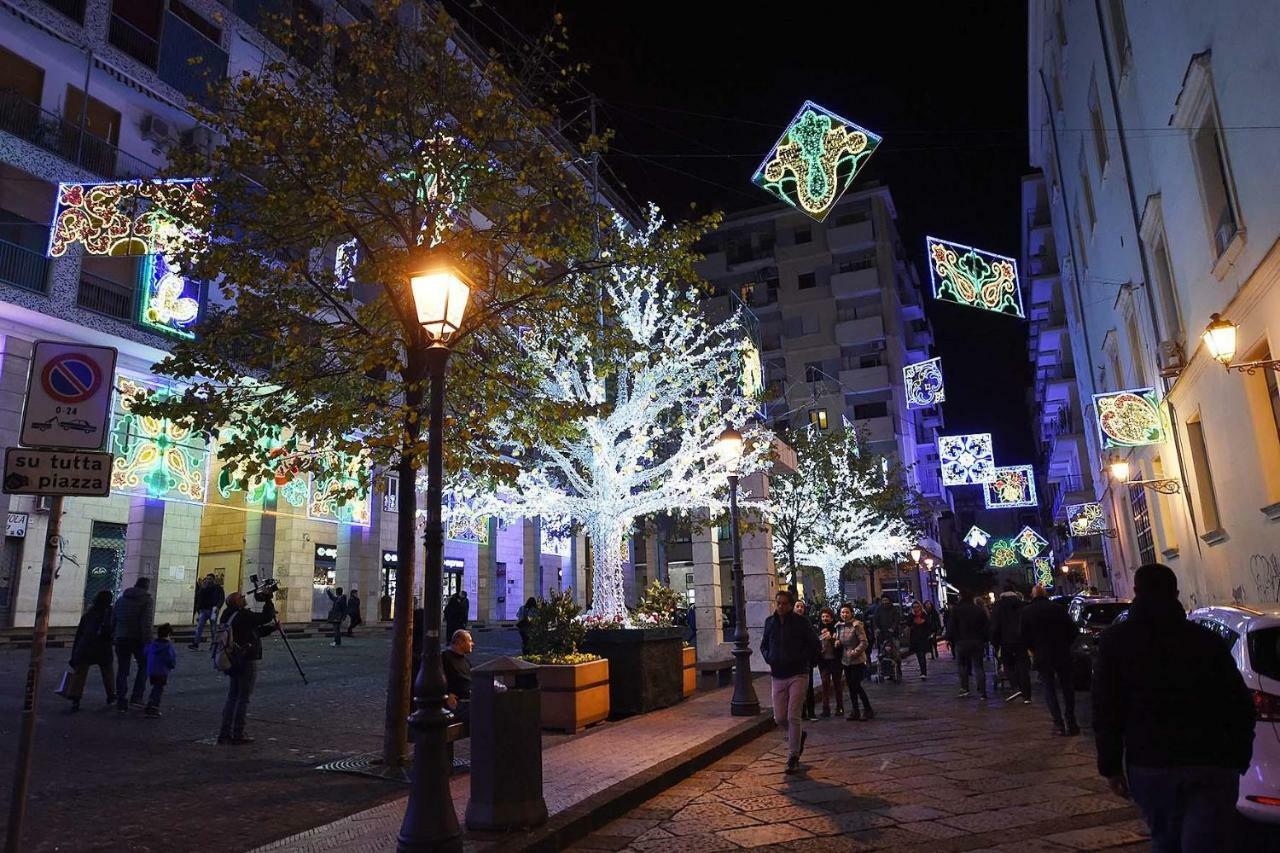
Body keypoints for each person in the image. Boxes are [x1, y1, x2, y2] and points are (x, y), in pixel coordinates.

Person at [1093, 564, 1254, 852]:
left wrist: (1111, 765)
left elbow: (1106, 707)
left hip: (1151, 761)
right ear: (1176, 593)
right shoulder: (1206, 640)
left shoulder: (1116, 642)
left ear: (1136, 593)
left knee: (1166, 839)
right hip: (1211, 759)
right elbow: (1237, 702)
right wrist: (1240, 754)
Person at [760, 589, 820, 773]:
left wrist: (804, 660)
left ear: (791, 605)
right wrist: (769, 657)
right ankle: (799, 735)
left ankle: (793, 755)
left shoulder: (801, 623)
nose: (780, 606)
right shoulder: (770, 623)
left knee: (793, 715)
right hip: (777, 673)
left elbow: (814, 644)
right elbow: (764, 644)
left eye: (784, 603)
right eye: (778, 603)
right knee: (779, 717)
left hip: (798, 673)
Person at [217, 589, 277, 745]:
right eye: (241, 597)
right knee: (243, 697)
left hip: (233, 658)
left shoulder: (228, 614)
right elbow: (265, 617)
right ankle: (238, 732)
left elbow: (253, 631)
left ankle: (225, 732)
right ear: (236, 601)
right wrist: (268, 600)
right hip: (246, 657)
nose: (244, 599)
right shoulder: (242, 614)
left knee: (233, 695)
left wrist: (272, 628)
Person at [1021, 584, 1079, 735]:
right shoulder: (1058, 609)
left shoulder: (1027, 612)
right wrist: (1066, 644)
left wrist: (1033, 649)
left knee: (1049, 688)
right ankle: (1071, 720)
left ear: (1033, 596)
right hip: (1061, 652)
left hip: (1042, 653)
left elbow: (1024, 636)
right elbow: (1073, 630)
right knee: (1067, 688)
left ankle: (1058, 722)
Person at [64, 590, 115, 712]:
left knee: (80, 672)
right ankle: (111, 696)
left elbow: (80, 634)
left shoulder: (89, 613)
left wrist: (74, 654)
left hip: (86, 645)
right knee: (107, 671)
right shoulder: (110, 613)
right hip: (103, 645)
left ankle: (75, 698)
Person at [113, 577, 155, 712]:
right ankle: (137, 696)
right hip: (138, 638)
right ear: (146, 587)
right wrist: (148, 641)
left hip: (121, 637)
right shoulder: (147, 600)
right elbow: (146, 623)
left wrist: (115, 635)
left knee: (122, 669)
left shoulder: (121, 599)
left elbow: (113, 619)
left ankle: (121, 699)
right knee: (144, 666)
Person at [990, 584, 1032, 704]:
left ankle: (1015, 686)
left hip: (1005, 641)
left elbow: (994, 626)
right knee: (1023, 666)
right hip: (1021, 640)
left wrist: (995, 642)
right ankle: (1027, 695)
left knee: (1007, 664)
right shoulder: (1022, 604)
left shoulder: (998, 606)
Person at [834, 604, 873, 721]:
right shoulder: (839, 626)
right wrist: (837, 642)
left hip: (857, 660)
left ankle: (867, 709)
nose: (844, 615)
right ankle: (855, 710)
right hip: (846, 660)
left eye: (846, 612)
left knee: (856, 685)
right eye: (842, 613)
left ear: (851, 613)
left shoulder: (857, 626)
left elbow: (864, 642)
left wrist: (855, 651)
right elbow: (839, 639)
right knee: (850, 686)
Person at [948, 589, 989, 699]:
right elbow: (985, 626)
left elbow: (951, 626)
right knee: (978, 666)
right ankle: (983, 691)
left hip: (961, 641)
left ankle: (965, 688)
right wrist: (984, 639)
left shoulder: (956, 610)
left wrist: (950, 638)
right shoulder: (978, 610)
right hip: (977, 640)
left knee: (962, 665)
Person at [143, 623, 177, 718]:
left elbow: (145, 651)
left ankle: (151, 703)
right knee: (158, 689)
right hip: (162, 670)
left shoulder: (153, 644)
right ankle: (153, 706)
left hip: (152, 670)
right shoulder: (168, 646)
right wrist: (172, 666)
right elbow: (170, 659)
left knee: (155, 687)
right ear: (168, 635)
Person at [816, 607, 843, 718]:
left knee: (837, 684)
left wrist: (831, 638)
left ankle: (839, 707)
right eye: (823, 616)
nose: (825, 618)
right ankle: (825, 708)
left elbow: (839, 645)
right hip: (824, 662)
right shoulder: (818, 629)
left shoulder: (836, 629)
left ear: (831, 617)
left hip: (835, 661)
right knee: (825, 683)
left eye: (827, 616)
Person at [442, 629, 474, 721]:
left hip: (469, 699)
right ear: (460, 642)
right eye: (470, 641)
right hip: (458, 703)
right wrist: (447, 695)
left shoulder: (466, 661)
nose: (472, 643)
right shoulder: (445, 658)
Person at [794, 599, 818, 720]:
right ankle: (801, 712)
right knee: (798, 690)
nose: (799, 609)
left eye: (801, 607)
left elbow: (813, 642)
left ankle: (811, 712)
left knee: (809, 687)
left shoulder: (807, 623)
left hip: (806, 661)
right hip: (794, 662)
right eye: (797, 606)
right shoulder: (789, 623)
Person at [189, 574, 224, 649]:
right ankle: (196, 643)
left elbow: (221, 598)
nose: (208, 580)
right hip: (203, 610)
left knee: (213, 628)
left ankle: (214, 644)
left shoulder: (218, 588)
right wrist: (198, 609)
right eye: (207, 579)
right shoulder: (203, 588)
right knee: (199, 627)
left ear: (213, 579)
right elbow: (199, 598)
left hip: (213, 609)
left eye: (210, 579)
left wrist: (218, 607)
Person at [906, 601, 932, 680]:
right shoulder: (911, 615)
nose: (916, 608)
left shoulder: (924, 615)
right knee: (919, 656)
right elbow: (908, 623)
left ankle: (923, 672)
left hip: (923, 638)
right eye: (914, 607)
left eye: (917, 606)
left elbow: (929, 625)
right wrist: (912, 616)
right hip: (915, 639)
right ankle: (923, 671)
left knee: (922, 655)